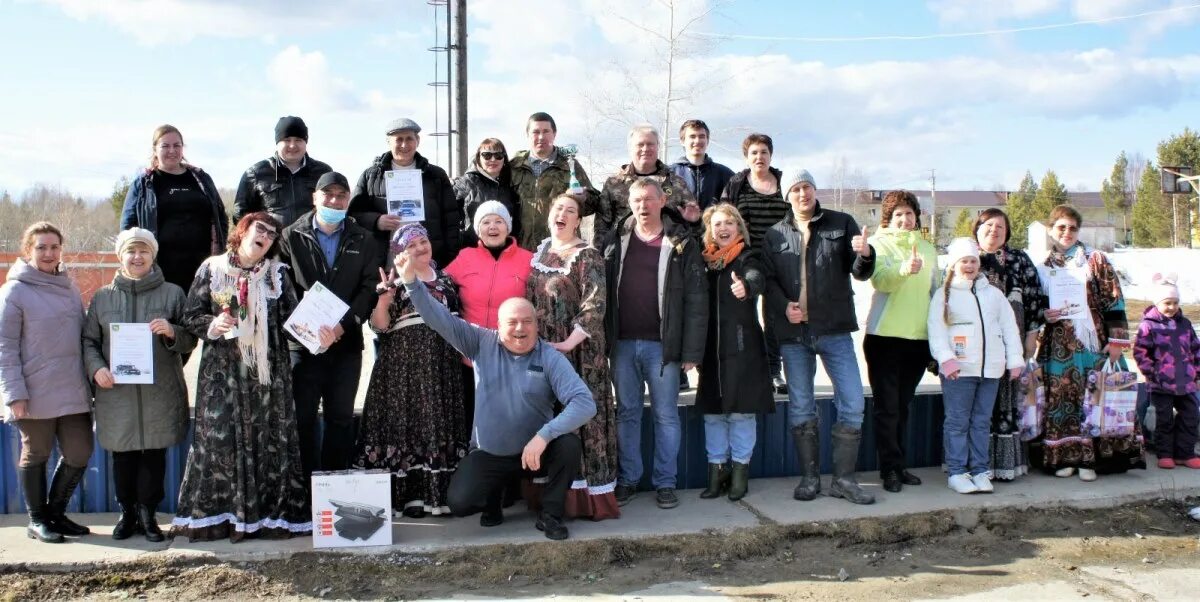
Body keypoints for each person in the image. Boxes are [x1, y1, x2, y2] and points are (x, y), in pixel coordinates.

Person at [396, 248, 596, 541]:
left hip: (535, 452)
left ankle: (551, 515)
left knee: (567, 445)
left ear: (536, 325)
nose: (520, 328)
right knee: (460, 503)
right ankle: (494, 498)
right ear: (498, 326)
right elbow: (438, 318)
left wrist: (545, 435)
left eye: (527, 322)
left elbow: (585, 403)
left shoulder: (549, 357)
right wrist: (411, 282)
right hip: (491, 454)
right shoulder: (480, 342)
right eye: (512, 322)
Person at [172, 213, 316, 542]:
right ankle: (220, 519)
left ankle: (268, 518)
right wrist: (212, 324)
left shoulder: (277, 274)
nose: (265, 235)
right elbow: (190, 316)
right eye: (260, 229)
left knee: (269, 442)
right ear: (244, 231)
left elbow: (295, 321)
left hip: (267, 375)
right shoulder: (212, 268)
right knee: (219, 441)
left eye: (272, 233)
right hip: (222, 375)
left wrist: (318, 329)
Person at [762, 168, 876, 505]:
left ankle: (843, 479)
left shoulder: (841, 224)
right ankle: (810, 478)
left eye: (807, 187)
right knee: (801, 405)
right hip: (795, 335)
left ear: (814, 190)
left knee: (853, 401)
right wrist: (784, 307)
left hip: (835, 330)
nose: (802, 194)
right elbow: (768, 281)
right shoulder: (774, 234)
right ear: (788, 196)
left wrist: (865, 254)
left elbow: (859, 272)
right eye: (796, 189)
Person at [83, 228, 195, 542]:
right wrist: (97, 369)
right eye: (131, 251)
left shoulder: (172, 294)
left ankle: (148, 514)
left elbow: (191, 337)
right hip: (116, 392)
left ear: (153, 255)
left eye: (143, 251)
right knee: (123, 454)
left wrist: (172, 332)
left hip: (159, 391)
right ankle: (127, 512)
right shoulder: (103, 297)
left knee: (153, 455)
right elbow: (89, 341)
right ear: (120, 256)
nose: (137, 257)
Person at [602, 178, 707, 510]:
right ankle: (629, 479)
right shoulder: (614, 241)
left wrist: (691, 352)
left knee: (666, 416)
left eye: (648, 198)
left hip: (663, 348)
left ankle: (665, 483)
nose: (642, 204)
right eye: (636, 199)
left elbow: (696, 300)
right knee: (627, 414)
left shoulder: (681, 242)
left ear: (662, 201)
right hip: (622, 345)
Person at [354, 224, 467, 517]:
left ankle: (436, 493)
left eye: (423, 240)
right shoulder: (394, 281)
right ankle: (410, 496)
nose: (420, 247)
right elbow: (380, 326)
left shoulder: (446, 280)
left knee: (436, 423)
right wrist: (384, 299)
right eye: (411, 244)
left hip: (442, 367)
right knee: (406, 426)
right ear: (401, 253)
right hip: (403, 368)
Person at [277, 172, 381, 477]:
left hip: (345, 344)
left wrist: (342, 327)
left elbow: (369, 287)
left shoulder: (364, 238)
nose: (334, 201)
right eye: (328, 195)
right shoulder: (290, 236)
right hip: (303, 346)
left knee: (340, 419)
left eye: (341, 196)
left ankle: (335, 486)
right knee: (302, 419)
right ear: (315, 197)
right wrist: (309, 327)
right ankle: (305, 490)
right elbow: (284, 289)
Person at [527, 194, 619, 519]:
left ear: (578, 220)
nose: (562, 214)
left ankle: (585, 498)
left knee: (579, 417)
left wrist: (568, 344)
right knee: (547, 419)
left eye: (570, 211)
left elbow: (595, 305)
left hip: (577, 353)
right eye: (558, 209)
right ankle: (550, 497)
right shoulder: (538, 254)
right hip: (542, 353)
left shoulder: (587, 255)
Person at [1035, 204, 1144, 480]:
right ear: (1051, 230)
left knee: (1095, 397)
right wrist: (1044, 315)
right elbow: (1036, 305)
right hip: (1058, 345)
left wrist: (1117, 341)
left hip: (1094, 341)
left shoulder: (1096, 260)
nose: (1067, 232)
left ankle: (1091, 459)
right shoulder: (1043, 267)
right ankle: (1065, 456)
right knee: (1061, 398)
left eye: (1072, 227)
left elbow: (1114, 300)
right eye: (1061, 227)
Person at [0, 222, 93, 543]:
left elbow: (82, 336)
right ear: (28, 251)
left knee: (80, 452)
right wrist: (14, 394)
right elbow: (5, 347)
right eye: (41, 247)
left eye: (54, 247)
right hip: (34, 391)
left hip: (73, 388)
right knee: (36, 453)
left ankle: (56, 513)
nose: (49, 253)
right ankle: (37, 519)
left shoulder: (68, 286)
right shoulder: (14, 291)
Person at [928, 238, 1024, 494]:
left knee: (982, 422)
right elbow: (936, 330)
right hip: (959, 371)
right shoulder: (944, 295)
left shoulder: (994, 294)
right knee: (958, 422)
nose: (969, 265)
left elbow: (1009, 328)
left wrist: (1014, 359)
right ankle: (958, 471)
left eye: (973, 261)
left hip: (990, 370)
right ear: (953, 265)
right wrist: (945, 358)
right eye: (963, 261)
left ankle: (980, 470)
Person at [695, 204, 774, 501]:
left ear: (739, 229)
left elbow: (757, 275)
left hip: (742, 348)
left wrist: (747, 287)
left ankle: (740, 472)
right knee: (714, 415)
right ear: (710, 231)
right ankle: (717, 471)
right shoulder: (705, 262)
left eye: (729, 223)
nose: (723, 228)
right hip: (710, 351)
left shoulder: (747, 256)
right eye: (717, 224)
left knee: (740, 414)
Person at [863, 190, 939, 493]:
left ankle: (900, 464)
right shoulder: (878, 245)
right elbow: (880, 281)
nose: (905, 219)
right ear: (889, 218)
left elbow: (935, 292)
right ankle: (889, 470)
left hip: (917, 339)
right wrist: (904, 270)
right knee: (888, 408)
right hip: (885, 337)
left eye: (909, 213)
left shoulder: (928, 248)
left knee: (903, 407)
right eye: (898, 214)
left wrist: (937, 340)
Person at [445, 201, 534, 430]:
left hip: (512, 355)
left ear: (508, 226)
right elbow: (438, 285)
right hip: (471, 355)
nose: (492, 227)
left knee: (509, 422)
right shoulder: (465, 257)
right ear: (477, 229)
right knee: (472, 420)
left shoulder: (528, 260)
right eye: (485, 222)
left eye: (498, 221)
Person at [973, 208, 1046, 481]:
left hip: (1009, 348)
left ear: (1007, 232)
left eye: (1000, 227)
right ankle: (975, 465)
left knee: (1006, 403)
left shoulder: (1018, 259)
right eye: (988, 225)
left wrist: (1030, 337)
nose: (994, 231)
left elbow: (1035, 298)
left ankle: (1004, 465)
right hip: (973, 350)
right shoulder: (967, 258)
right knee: (976, 406)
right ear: (977, 229)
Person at [120, 124, 229, 293]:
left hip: (203, 269)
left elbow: (221, 217)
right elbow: (128, 229)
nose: (172, 150)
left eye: (177, 145)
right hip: (160, 272)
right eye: (165, 146)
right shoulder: (143, 184)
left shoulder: (201, 178)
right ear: (155, 149)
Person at [719, 133, 789, 393]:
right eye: (754, 153)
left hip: (780, 260)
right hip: (747, 260)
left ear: (771, 155)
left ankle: (774, 371)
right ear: (746, 157)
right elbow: (725, 216)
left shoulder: (784, 182)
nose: (759, 157)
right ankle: (748, 369)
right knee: (745, 317)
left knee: (773, 317)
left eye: (764, 152)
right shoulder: (737, 184)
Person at [348, 118, 461, 267]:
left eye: (409, 139)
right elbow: (353, 215)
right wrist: (376, 221)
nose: (404, 145)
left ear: (418, 141)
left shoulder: (435, 175)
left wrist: (449, 258)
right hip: (386, 262)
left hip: (428, 261)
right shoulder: (371, 176)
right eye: (398, 139)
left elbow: (451, 220)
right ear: (388, 142)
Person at [1133, 273, 1200, 469]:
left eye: (1175, 302)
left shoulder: (1185, 324)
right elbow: (1140, 351)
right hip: (1161, 383)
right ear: (1157, 303)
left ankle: (1184, 453)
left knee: (1190, 416)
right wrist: (1151, 372)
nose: (1171, 307)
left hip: (1186, 381)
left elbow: (1196, 349)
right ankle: (1165, 453)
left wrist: (1197, 373)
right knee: (1164, 419)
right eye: (1167, 303)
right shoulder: (1148, 325)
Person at [592, 125, 700, 247]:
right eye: (640, 144)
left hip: (668, 254)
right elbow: (602, 225)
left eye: (650, 144)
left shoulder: (676, 182)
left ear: (658, 147)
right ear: (630, 148)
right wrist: (602, 255)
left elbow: (694, 223)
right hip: (623, 254)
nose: (645, 149)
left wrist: (695, 222)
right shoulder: (614, 183)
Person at [510, 112, 600, 250]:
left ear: (554, 134)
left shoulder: (569, 165)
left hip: (560, 251)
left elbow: (595, 203)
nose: (541, 137)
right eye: (535, 132)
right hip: (520, 251)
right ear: (527, 134)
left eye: (546, 131)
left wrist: (583, 198)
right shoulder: (514, 167)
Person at [233, 116, 333, 228]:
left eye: (298, 140)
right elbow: (240, 216)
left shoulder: (323, 172)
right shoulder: (255, 174)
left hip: (312, 243)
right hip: (273, 243)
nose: (292, 145)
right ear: (277, 143)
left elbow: (333, 208)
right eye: (287, 140)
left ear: (306, 142)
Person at [454, 138, 522, 248]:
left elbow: (516, 224)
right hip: (471, 250)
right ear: (478, 158)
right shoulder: (464, 184)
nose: (493, 159)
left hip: (502, 253)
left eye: (498, 155)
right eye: (487, 155)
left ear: (504, 159)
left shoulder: (511, 188)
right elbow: (450, 220)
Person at [670, 119, 734, 211]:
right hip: (680, 225)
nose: (697, 141)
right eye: (692, 136)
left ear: (707, 140)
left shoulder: (724, 174)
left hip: (712, 225)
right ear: (682, 141)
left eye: (702, 136)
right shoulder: (670, 174)